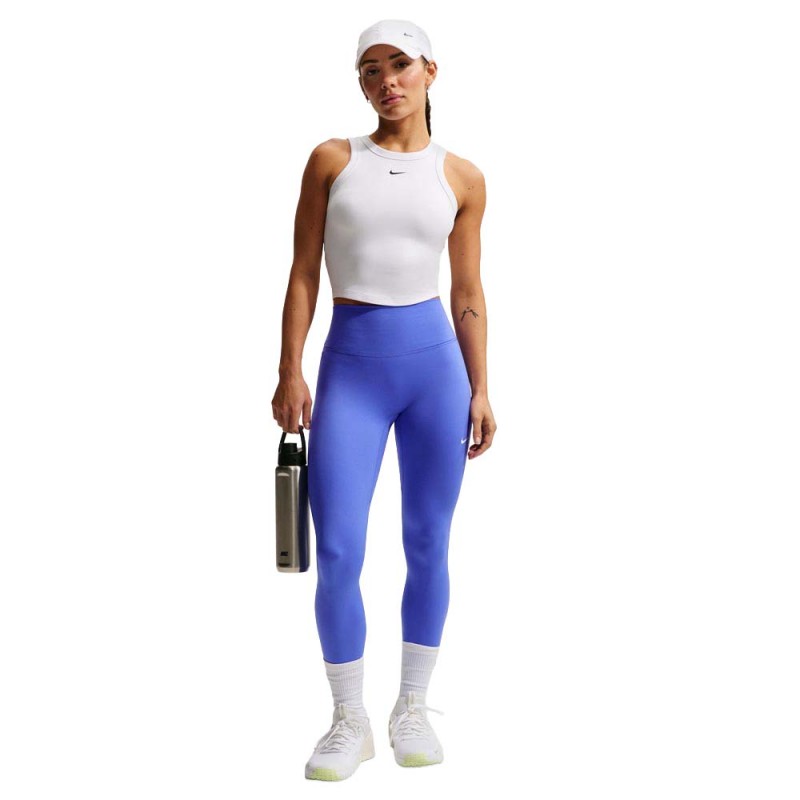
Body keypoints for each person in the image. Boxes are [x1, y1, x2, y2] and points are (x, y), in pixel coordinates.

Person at [271, 19, 497, 781]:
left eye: (399, 64)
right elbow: (304, 271)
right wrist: (290, 370)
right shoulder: (333, 160)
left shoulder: (462, 177)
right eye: (370, 70)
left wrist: (482, 387)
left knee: (428, 540)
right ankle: (349, 719)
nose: (386, 80)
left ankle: (412, 708)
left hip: (435, 371)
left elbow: (466, 289)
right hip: (351, 370)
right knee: (337, 549)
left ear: (430, 70)